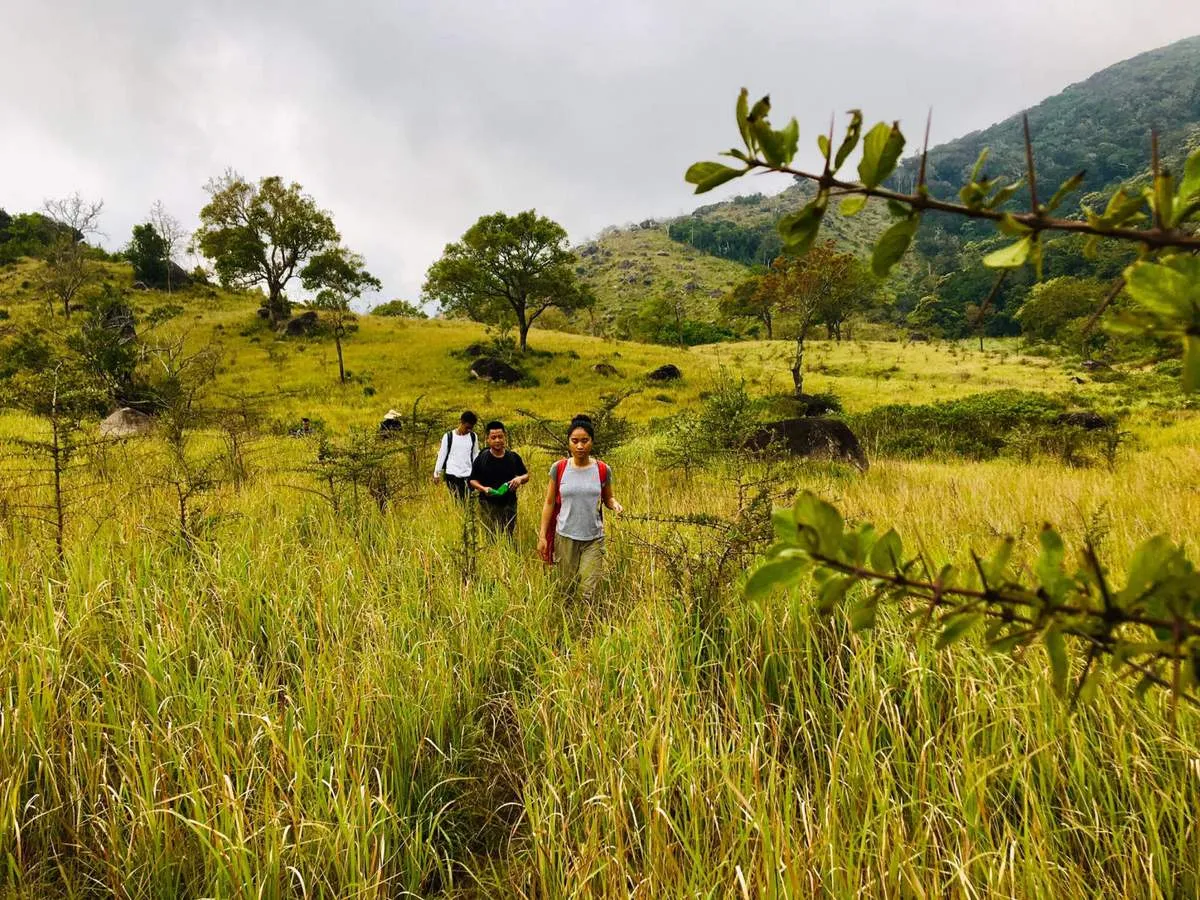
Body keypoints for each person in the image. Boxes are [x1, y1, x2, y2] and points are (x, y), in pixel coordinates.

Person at [538, 414, 622, 604]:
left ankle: (585, 627)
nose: (580, 446)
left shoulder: (602, 469)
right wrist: (542, 535)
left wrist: (614, 504)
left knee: (587, 591)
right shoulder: (559, 468)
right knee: (565, 588)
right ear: (568, 442)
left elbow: (607, 497)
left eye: (585, 441)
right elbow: (550, 502)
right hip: (565, 537)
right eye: (575, 441)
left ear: (592, 441)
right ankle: (567, 625)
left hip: (593, 538)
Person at [468, 421, 529, 537]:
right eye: (493, 437)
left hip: (509, 503)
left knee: (508, 535)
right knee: (490, 536)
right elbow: (472, 480)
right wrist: (483, 488)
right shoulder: (482, 458)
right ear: (487, 439)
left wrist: (519, 479)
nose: (497, 440)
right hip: (487, 504)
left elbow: (526, 475)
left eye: (500, 437)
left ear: (505, 437)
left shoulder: (513, 457)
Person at [433, 411, 479, 501]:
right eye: (467, 427)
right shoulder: (448, 436)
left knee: (468, 501)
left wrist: (477, 473)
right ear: (461, 422)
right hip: (452, 475)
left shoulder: (473, 436)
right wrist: (436, 473)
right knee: (457, 500)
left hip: (468, 475)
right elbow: (442, 455)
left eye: (471, 428)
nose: (469, 430)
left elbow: (475, 454)